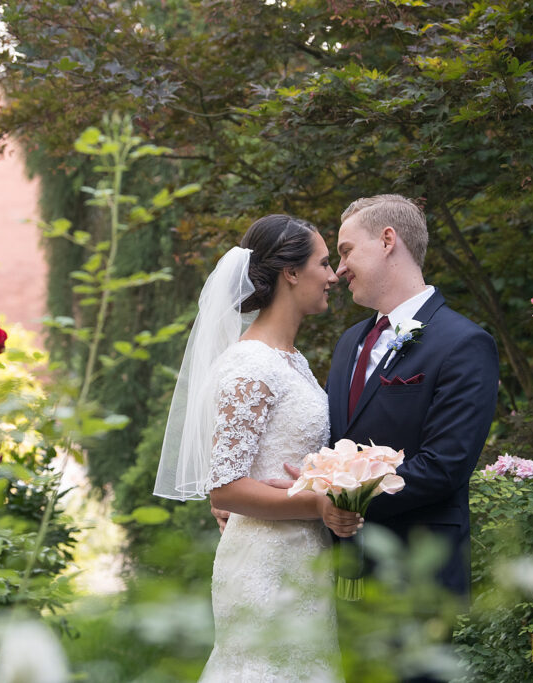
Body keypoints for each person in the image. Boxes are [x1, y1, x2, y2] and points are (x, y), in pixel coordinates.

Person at [154, 214, 351, 682]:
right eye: (323, 264)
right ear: (291, 273)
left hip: (302, 559)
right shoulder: (250, 366)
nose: (333, 276)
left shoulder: (292, 360)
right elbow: (224, 489)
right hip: (265, 565)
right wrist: (318, 503)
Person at [320, 194, 499, 600]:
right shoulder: (350, 342)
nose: (340, 269)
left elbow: (444, 466)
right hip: (338, 572)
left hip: (417, 576)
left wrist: (346, 499)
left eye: (346, 251)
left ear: (387, 240)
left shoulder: (464, 343)